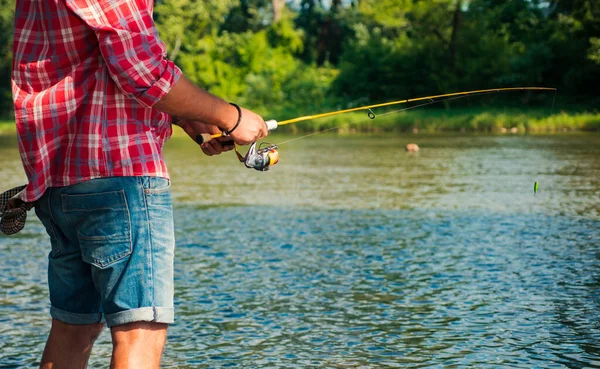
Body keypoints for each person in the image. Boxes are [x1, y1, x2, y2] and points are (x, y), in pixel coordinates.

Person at [11, 0, 268, 368]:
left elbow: (94, 65)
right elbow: (142, 69)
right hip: (120, 177)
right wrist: (231, 116)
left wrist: (183, 115)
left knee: (72, 330)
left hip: (57, 182)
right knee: (140, 333)